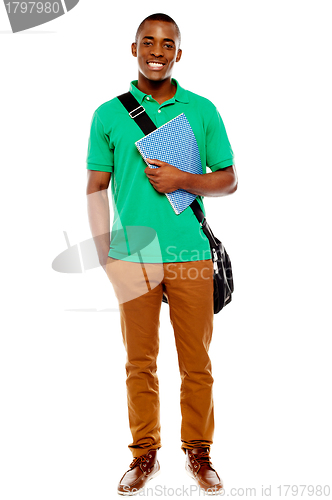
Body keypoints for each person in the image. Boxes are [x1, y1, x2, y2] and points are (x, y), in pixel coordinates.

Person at [86, 13, 237, 496]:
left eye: (167, 43)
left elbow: (228, 178)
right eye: (147, 41)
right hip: (132, 257)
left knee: (197, 362)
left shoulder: (202, 109)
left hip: (191, 254)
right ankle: (144, 454)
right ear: (134, 50)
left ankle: (199, 450)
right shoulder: (108, 115)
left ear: (178, 53)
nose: (157, 49)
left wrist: (182, 180)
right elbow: (96, 186)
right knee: (139, 362)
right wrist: (103, 253)